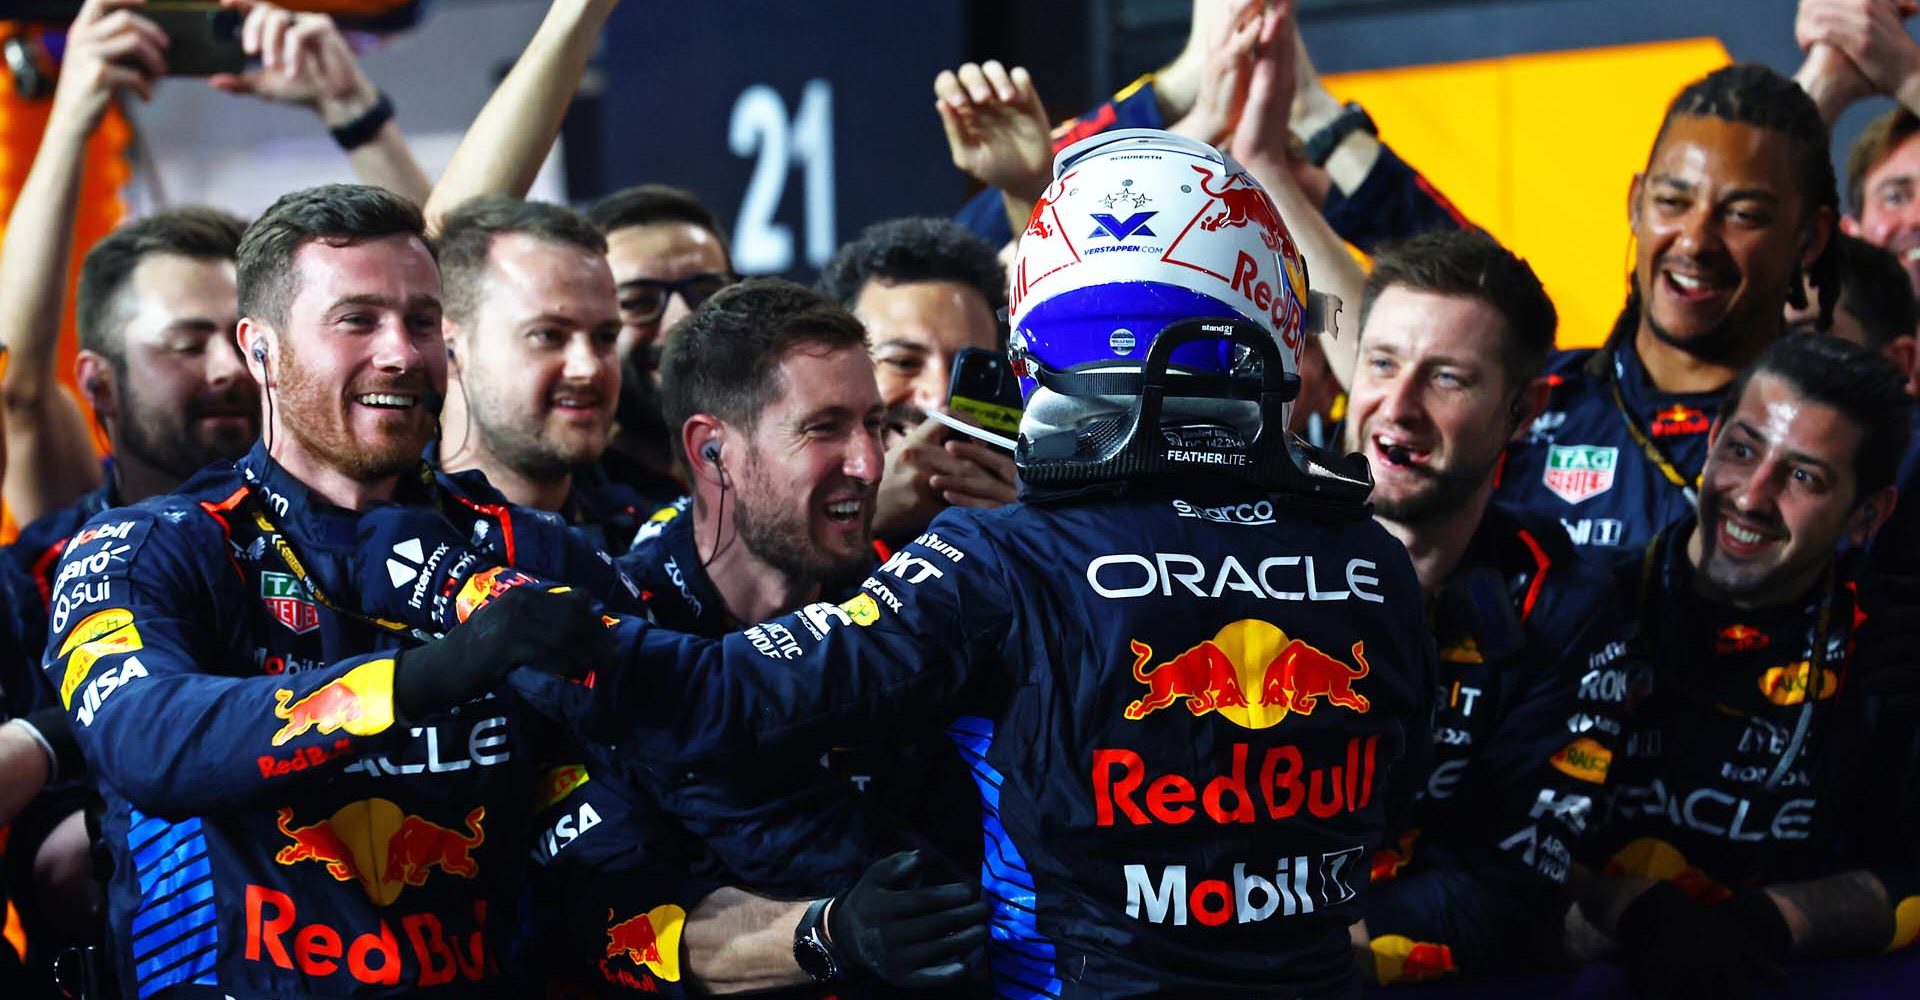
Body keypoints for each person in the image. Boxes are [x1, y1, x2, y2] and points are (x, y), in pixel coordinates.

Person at [353, 126, 1436, 997]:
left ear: (1050, 339)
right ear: (1264, 330)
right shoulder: (1372, 559)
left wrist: (491, 600)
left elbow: (725, 694)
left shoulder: (1006, 556)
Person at [1573, 334, 1920, 996]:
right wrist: (1631, 908)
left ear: (1868, 514)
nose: (1752, 497)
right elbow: (1473, 845)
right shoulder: (1578, 610)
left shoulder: (1893, 655)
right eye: (1742, 450)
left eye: (1802, 476)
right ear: (1709, 445)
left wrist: (1772, 920)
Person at [0, 0, 427, 528]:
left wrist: (352, 107)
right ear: (101, 385)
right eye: (187, 345)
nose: (230, 368)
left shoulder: (352, 496)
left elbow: (453, 312)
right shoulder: (79, 520)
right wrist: (69, 121)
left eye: (246, 341)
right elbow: (21, 383)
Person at [1338, 230, 1638, 984]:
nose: (1396, 408)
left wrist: (1286, 962)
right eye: (1382, 362)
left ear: (1522, 411)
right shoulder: (1231, 551)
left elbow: (1511, 888)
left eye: (1447, 379)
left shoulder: (1563, 606)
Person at [1495, 64, 1841, 552]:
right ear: (1635, 203)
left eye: (1742, 215)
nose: (1696, 241)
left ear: (1812, 238)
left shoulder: (1841, 440)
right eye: (1672, 201)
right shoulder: (1525, 405)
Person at [433, 196, 647, 554]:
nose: (589, 367)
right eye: (548, 335)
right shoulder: (365, 535)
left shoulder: (646, 536)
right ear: (450, 348)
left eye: (605, 337)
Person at [817, 218, 1017, 545]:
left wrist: (1030, 538)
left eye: (970, 368)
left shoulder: (1025, 512)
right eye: (903, 362)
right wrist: (864, 517)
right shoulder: (775, 497)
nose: (939, 395)